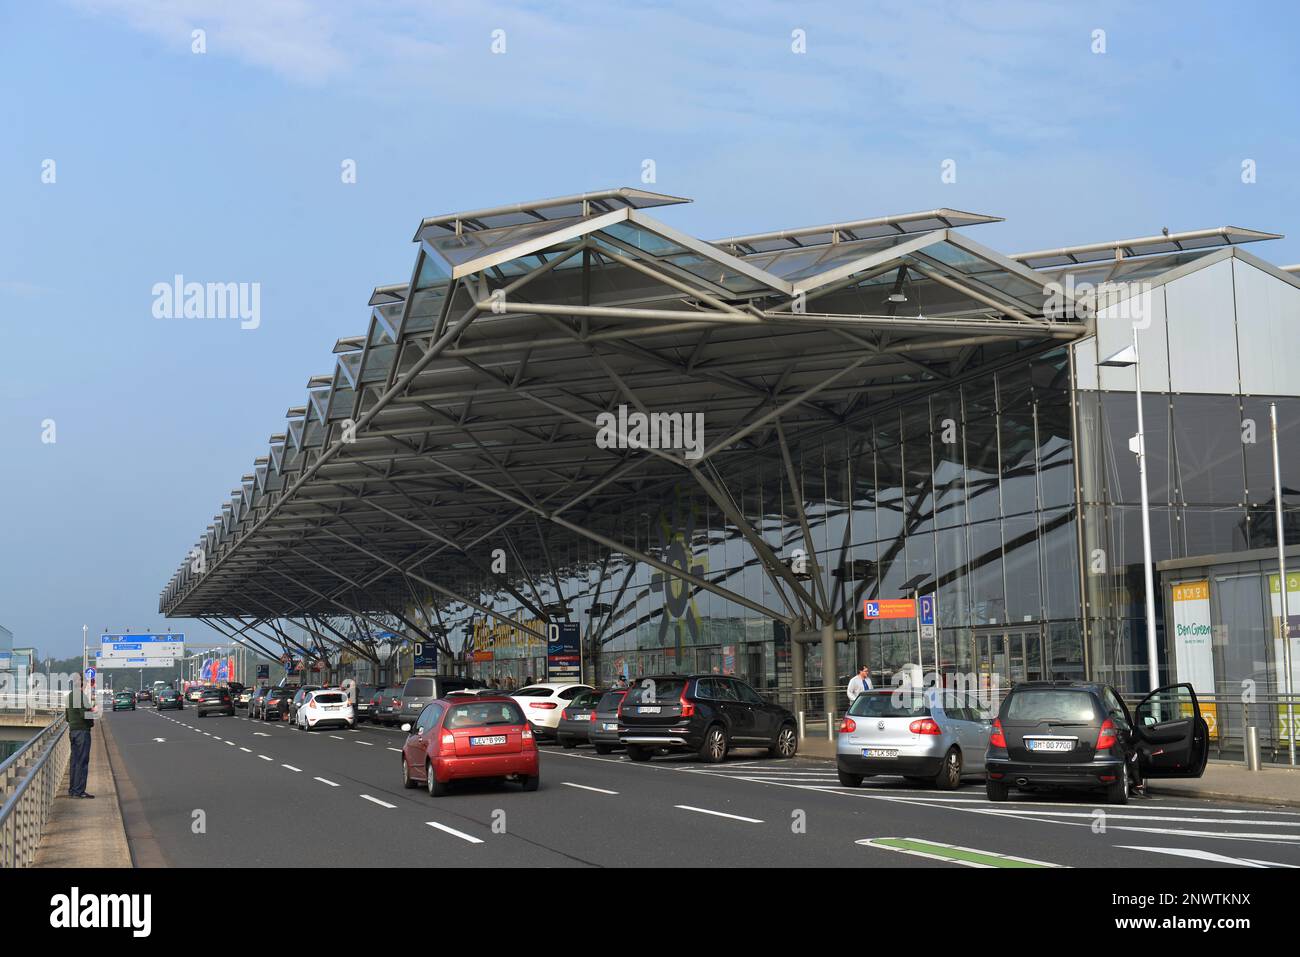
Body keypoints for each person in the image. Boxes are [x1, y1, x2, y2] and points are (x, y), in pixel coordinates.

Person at [65, 674, 95, 799]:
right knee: (82, 762)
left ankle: (72, 789)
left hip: (73, 731)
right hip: (82, 732)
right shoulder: (81, 696)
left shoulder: (70, 696)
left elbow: (67, 716)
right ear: (83, 684)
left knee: (74, 761)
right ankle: (79, 791)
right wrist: (92, 716)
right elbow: (84, 714)